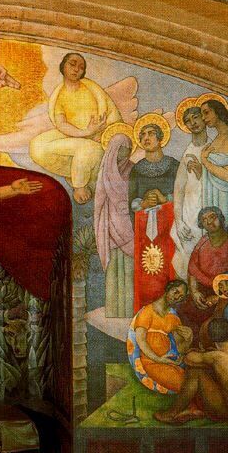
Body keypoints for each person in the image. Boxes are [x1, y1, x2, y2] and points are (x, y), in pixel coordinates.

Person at [28, 53, 122, 204]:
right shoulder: (60, 94)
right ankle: (74, 170)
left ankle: (80, 186)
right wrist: (85, 132)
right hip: (75, 135)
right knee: (37, 145)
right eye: (72, 64)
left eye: (81, 67)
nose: (76, 69)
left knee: (88, 149)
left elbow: (112, 118)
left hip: (97, 139)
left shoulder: (92, 89)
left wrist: (100, 133)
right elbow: (61, 124)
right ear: (63, 66)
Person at [154, 318, 228, 425]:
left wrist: (188, 346)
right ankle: (194, 408)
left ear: (210, 337)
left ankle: (171, 414)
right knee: (209, 371)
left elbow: (188, 358)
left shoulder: (217, 356)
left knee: (195, 372)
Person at [128, 115, 180, 311]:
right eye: (142, 135)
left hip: (169, 225)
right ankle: (145, 311)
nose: (146, 138)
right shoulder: (136, 170)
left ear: (160, 138)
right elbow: (131, 201)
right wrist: (142, 203)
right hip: (144, 228)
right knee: (147, 269)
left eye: (150, 134)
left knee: (169, 266)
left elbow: (184, 194)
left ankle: (170, 311)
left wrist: (164, 198)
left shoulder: (174, 166)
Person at [178, 206, 228, 335]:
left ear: (221, 218)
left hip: (226, 292)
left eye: (212, 217)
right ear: (202, 225)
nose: (209, 221)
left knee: (213, 323)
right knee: (183, 311)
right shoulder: (202, 242)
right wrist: (194, 292)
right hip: (202, 291)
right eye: (204, 220)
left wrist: (218, 297)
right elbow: (192, 270)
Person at [94, 128, 135, 317]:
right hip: (110, 225)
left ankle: (129, 310)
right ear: (113, 150)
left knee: (129, 267)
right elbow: (99, 201)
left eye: (128, 148)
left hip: (128, 225)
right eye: (121, 148)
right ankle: (113, 310)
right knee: (113, 268)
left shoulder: (133, 169)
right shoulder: (104, 172)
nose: (125, 152)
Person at [125, 279, 189, 394]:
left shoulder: (174, 317)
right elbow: (141, 341)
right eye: (176, 292)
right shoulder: (147, 311)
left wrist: (189, 339)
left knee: (193, 378)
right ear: (168, 288)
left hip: (169, 362)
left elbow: (179, 349)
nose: (177, 297)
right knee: (185, 385)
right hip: (151, 362)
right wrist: (159, 359)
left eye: (181, 297)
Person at [172, 98, 211, 278]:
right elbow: (179, 188)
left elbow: (224, 182)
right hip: (189, 210)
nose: (193, 123)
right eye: (188, 121)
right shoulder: (187, 152)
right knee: (186, 256)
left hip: (209, 206)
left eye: (196, 117)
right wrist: (179, 221)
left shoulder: (214, 147)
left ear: (204, 118)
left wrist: (203, 173)